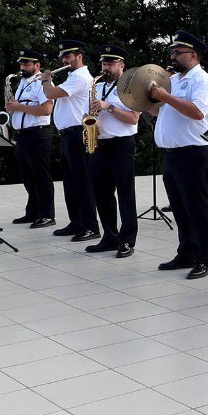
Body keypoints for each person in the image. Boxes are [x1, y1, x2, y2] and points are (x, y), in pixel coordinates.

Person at [152, 31, 208, 280]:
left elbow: (197, 113)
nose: (172, 56)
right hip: (173, 155)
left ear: (193, 55)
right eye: (172, 52)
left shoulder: (202, 81)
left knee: (200, 208)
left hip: (194, 153)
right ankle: (187, 252)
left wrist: (165, 96)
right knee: (180, 208)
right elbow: (163, 112)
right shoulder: (175, 80)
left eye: (177, 53)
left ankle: (205, 259)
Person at [40, 40, 99, 243]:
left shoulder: (81, 77)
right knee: (70, 183)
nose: (65, 60)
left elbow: (51, 93)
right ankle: (77, 222)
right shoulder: (71, 77)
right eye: (63, 57)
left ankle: (91, 226)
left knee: (82, 183)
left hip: (77, 134)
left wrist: (46, 80)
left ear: (79, 56)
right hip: (67, 135)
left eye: (69, 56)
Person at [86, 44, 139, 258]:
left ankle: (127, 240)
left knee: (125, 194)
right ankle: (110, 236)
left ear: (122, 65)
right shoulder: (96, 86)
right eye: (103, 63)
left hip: (122, 145)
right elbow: (88, 114)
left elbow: (133, 118)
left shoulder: (129, 88)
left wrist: (109, 107)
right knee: (102, 194)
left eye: (110, 63)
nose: (105, 67)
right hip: (100, 145)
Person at [3, 48, 55, 228]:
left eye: (26, 64)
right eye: (21, 64)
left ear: (37, 65)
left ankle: (47, 214)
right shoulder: (23, 83)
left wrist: (19, 108)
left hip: (37, 133)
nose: (22, 67)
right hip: (23, 135)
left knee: (41, 176)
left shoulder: (42, 83)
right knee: (27, 176)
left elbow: (47, 109)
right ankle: (32, 212)